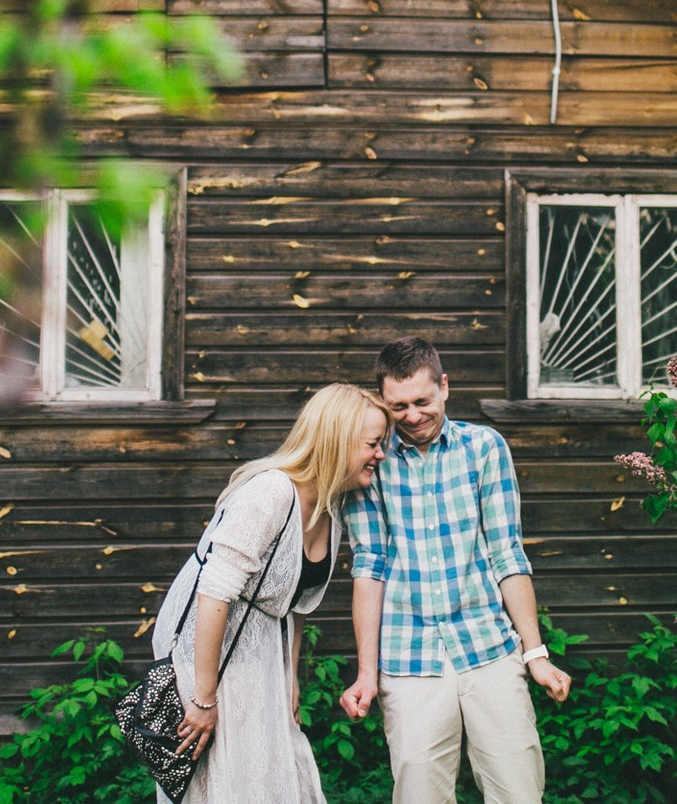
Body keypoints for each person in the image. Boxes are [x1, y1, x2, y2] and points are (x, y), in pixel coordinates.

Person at [338, 336, 573, 804]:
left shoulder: (484, 448)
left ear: (444, 386)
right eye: (398, 406)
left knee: (518, 790)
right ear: (383, 400)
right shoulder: (369, 459)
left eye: (422, 401)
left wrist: (535, 654)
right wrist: (366, 674)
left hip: (488, 648)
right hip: (407, 658)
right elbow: (369, 567)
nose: (412, 416)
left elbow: (507, 555)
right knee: (419, 794)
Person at [153, 381, 390, 804]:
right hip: (210, 654)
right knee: (229, 777)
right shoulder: (271, 493)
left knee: (271, 771)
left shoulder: (331, 507)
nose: (381, 454)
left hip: (262, 654)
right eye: (372, 444)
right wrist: (203, 698)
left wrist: (289, 678)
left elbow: (294, 606)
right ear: (336, 441)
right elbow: (214, 591)